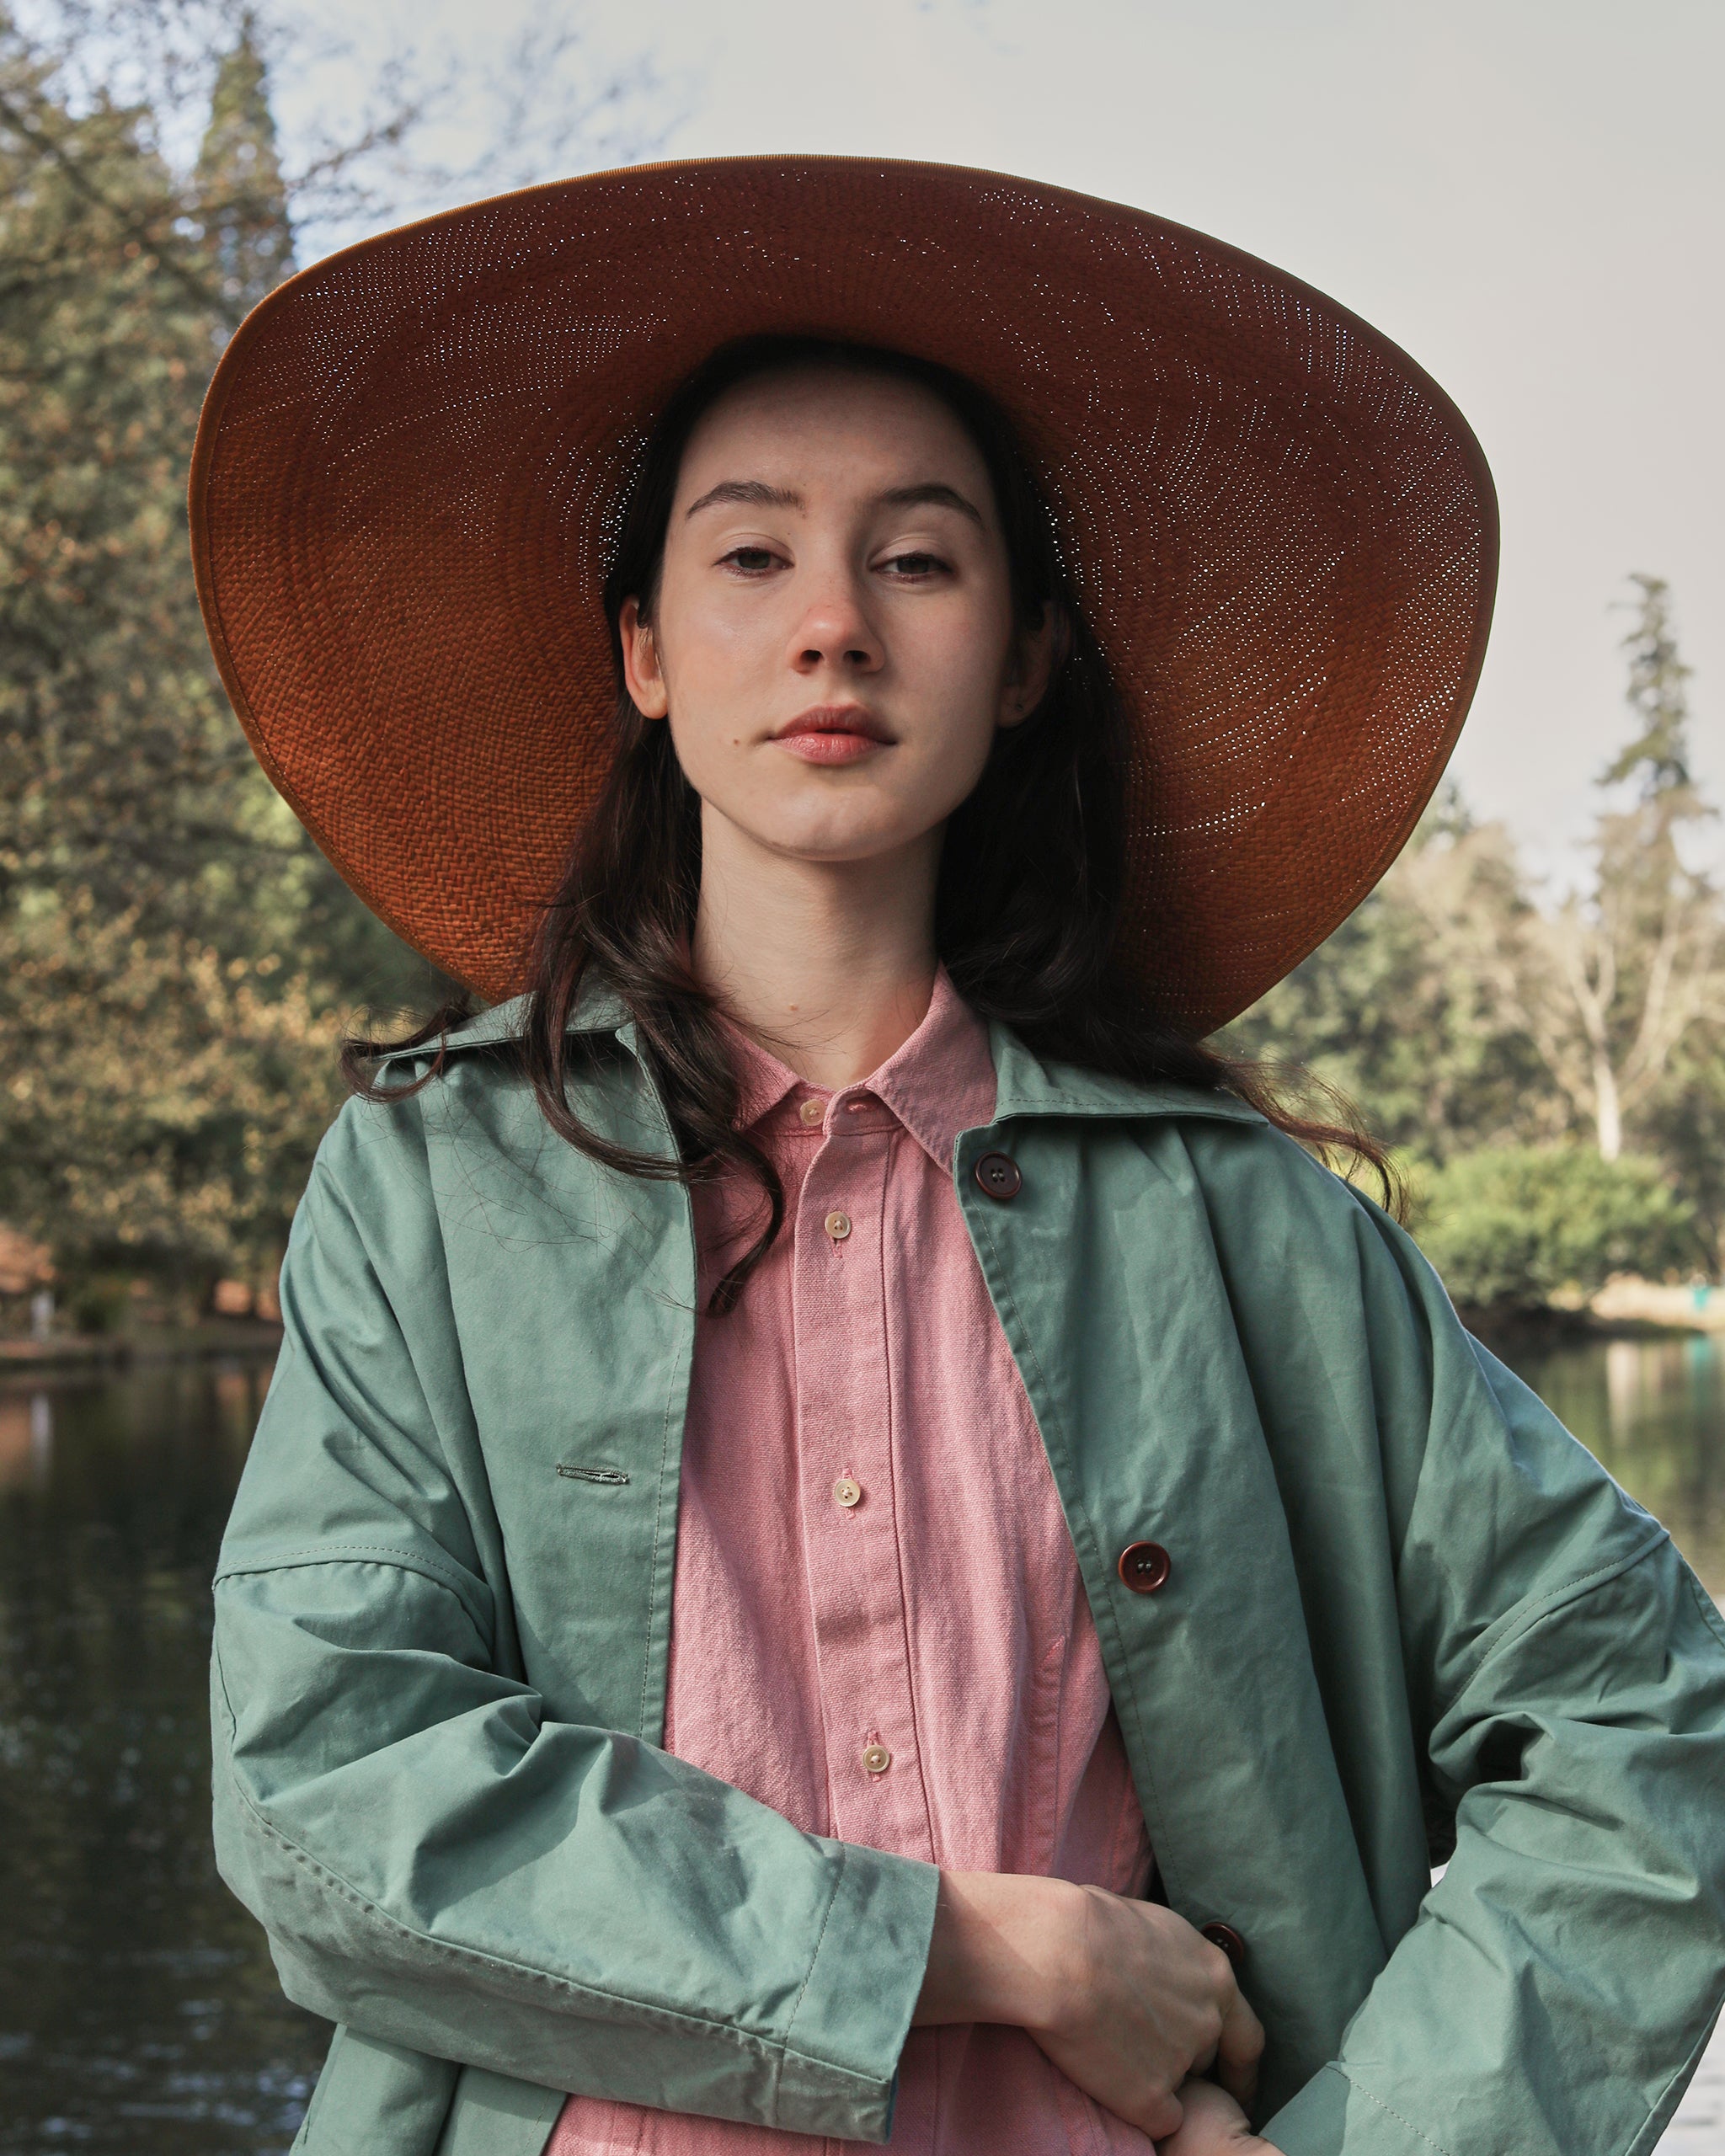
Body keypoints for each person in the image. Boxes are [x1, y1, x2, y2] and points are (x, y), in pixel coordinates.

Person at [190, 158, 1725, 2156]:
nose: (832, 625)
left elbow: (1645, 1717)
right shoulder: (428, 1187)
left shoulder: (1247, 1223)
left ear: (1019, 660)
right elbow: (322, 1780)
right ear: (645, 651)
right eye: (752, 556)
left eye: (916, 560)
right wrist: (972, 1946)